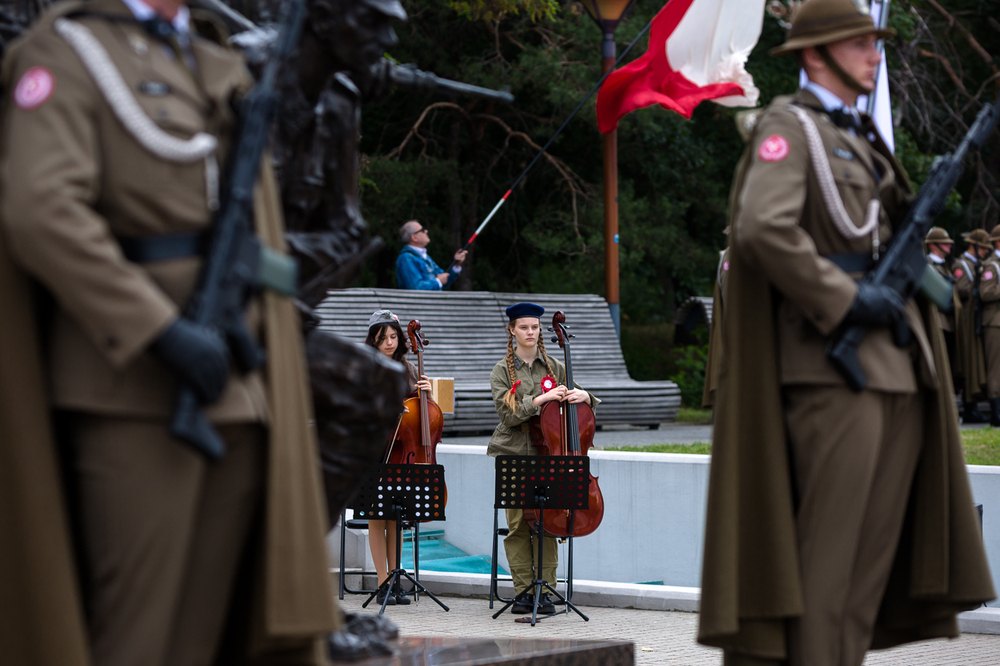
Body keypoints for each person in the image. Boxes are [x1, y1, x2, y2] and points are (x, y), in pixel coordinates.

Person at [0, 0, 338, 664]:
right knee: (136, 637)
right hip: (133, 391)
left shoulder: (212, 59)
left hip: (237, 387)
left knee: (204, 639)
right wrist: (158, 331)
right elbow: (40, 211)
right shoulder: (67, 52)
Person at [697, 1, 994, 665]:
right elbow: (762, 227)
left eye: (874, 43)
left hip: (897, 370)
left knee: (864, 583)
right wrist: (848, 298)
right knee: (824, 576)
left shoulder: (860, 139)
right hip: (833, 374)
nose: (874, 54)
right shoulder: (789, 128)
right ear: (815, 54)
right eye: (858, 43)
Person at [487, 302, 598, 615]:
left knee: (549, 525)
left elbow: (577, 397)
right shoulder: (501, 371)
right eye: (524, 327)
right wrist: (541, 399)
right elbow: (508, 415)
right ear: (512, 330)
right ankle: (524, 592)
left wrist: (585, 396)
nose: (531, 332)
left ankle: (546, 591)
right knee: (519, 525)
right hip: (513, 454)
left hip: (550, 457)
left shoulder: (553, 367)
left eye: (535, 327)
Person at [362, 309, 432, 606]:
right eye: (383, 338)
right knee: (378, 518)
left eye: (393, 336)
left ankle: (395, 578)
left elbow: (422, 415)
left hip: (403, 451)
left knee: (398, 517)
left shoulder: (407, 368)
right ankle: (381, 583)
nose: (389, 342)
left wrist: (427, 394)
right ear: (373, 341)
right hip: (375, 449)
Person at [954, 228, 991, 422]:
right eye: (983, 248)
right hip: (967, 321)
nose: (986, 251)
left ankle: (974, 405)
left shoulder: (979, 264)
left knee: (979, 364)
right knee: (970, 364)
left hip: (977, 318)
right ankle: (969, 407)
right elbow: (960, 289)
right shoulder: (962, 264)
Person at [395, 219, 467, 290]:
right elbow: (416, 288)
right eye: (422, 230)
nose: (426, 231)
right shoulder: (406, 258)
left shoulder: (424, 257)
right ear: (414, 238)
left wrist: (456, 265)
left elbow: (444, 280)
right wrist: (438, 282)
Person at [978, 226, 1000, 426]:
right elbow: (986, 293)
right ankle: (996, 413)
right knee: (996, 368)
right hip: (994, 323)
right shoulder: (992, 265)